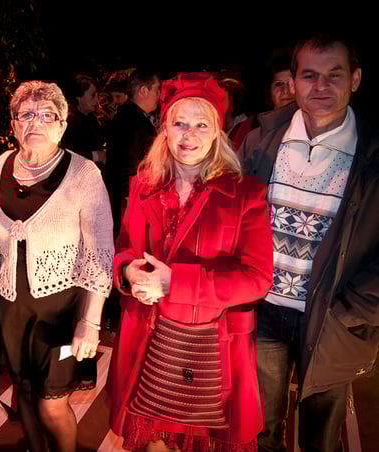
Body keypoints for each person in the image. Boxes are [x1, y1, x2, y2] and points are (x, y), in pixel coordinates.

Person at [109, 73, 273, 452]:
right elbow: (124, 246)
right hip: (151, 337)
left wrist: (175, 283)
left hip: (212, 345)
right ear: (164, 128)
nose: (189, 135)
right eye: (180, 123)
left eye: (202, 125)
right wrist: (127, 271)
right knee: (152, 441)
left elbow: (258, 279)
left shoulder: (245, 194)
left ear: (217, 131)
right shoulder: (144, 185)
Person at [241, 34, 378, 452]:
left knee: (321, 439)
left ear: (355, 79)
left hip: (333, 319)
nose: (321, 86)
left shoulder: (372, 153)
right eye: (309, 76)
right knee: (261, 432)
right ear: (294, 81)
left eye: (334, 75)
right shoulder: (262, 138)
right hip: (265, 310)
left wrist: (353, 310)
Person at [0, 80, 114, 452]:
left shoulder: (83, 174)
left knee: (52, 404)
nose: (36, 122)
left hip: (61, 311)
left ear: (62, 125)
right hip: (9, 305)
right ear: (13, 124)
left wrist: (90, 323)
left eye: (47, 115)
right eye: (26, 114)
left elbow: (100, 253)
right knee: (24, 391)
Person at [105, 71, 160, 237]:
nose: (159, 95)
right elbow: (127, 162)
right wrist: (131, 199)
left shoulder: (132, 117)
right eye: (156, 89)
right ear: (143, 90)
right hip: (129, 199)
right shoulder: (132, 121)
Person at [61, 74, 106, 168]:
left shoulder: (90, 116)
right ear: (78, 96)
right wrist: (96, 155)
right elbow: (67, 155)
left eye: (97, 95)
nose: (97, 100)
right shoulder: (70, 121)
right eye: (93, 95)